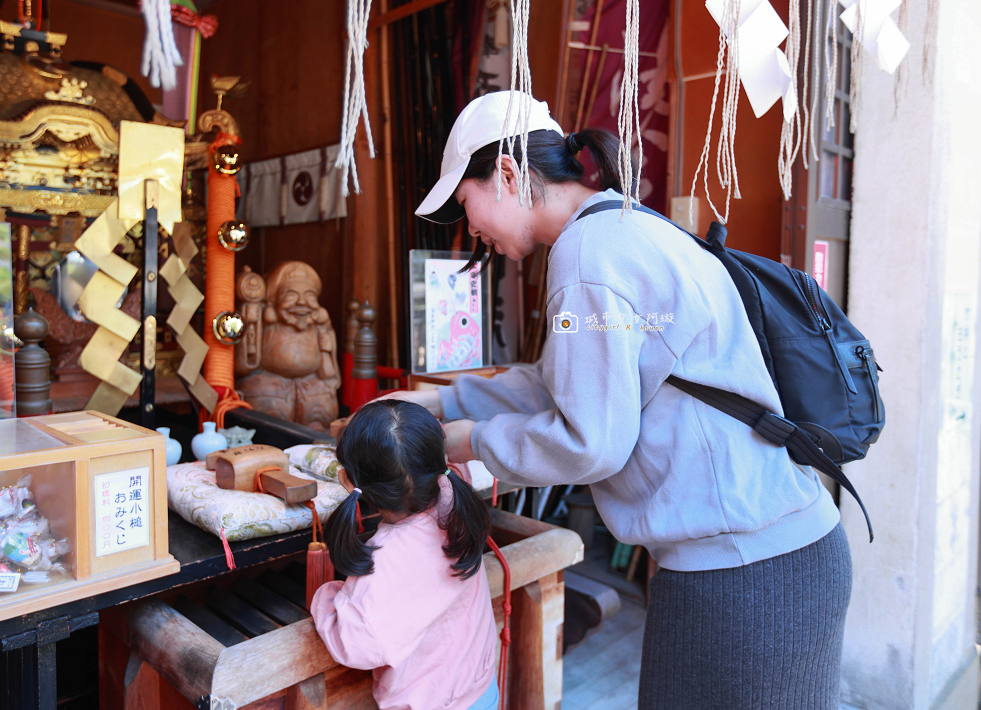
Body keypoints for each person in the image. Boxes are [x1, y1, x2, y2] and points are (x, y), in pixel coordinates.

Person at [386, 90, 852, 709]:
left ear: (505, 174)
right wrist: (439, 403)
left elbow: (591, 443)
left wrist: (460, 441)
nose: (471, 228)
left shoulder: (586, 258)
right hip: (776, 557)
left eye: (466, 205)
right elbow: (565, 381)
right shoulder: (623, 225)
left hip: (746, 576)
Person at [310, 400, 499, 710]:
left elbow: (356, 644)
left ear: (346, 481)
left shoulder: (383, 563)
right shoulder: (454, 493)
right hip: (481, 692)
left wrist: (327, 597)